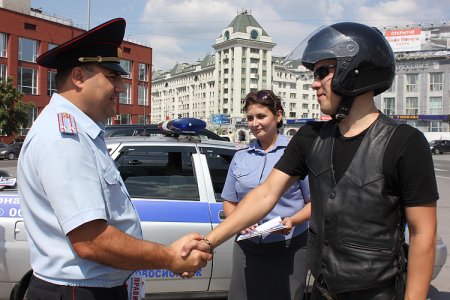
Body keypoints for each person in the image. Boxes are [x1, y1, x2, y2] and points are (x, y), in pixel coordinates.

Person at [182, 22, 438, 300]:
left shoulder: (404, 142)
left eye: (323, 72)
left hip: (378, 293)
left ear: (356, 72)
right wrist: (209, 242)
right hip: (322, 290)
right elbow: (266, 194)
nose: (314, 82)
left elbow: (422, 232)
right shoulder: (310, 137)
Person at [17, 18, 211, 300]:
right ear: (79, 77)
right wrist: (170, 257)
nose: (120, 88)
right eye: (112, 77)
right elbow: (92, 242)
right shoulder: (64, 138)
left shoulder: (78, 132)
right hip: (77, 292)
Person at [222, 90, 311, 300]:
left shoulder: (296, 153)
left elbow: (314, 202)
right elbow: (229, 201)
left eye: (261, 116)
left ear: (278, 116)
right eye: (250, 118)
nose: (254, 123)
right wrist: (239, 223)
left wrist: (292, 220)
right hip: (247, 246)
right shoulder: (240, 157)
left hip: (289, 246)